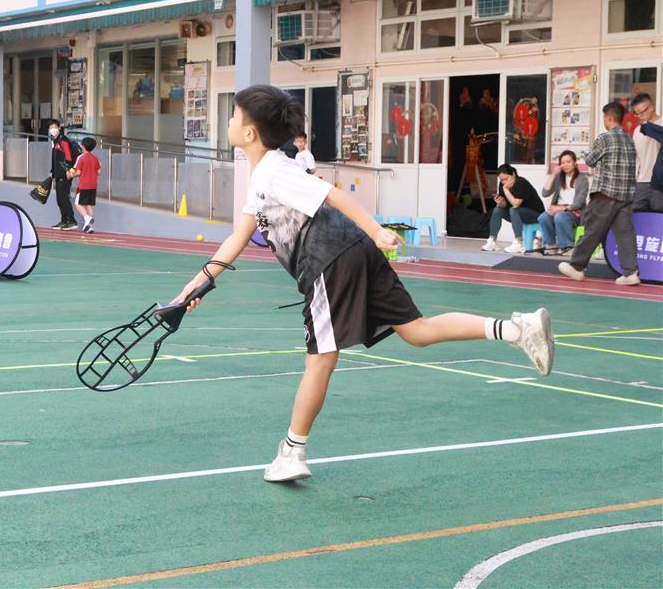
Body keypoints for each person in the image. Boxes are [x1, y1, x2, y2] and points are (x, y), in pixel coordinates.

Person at [172, 85, 554, 483]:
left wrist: (377, 230)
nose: (229, 122)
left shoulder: (275, 170)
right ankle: (518, 329)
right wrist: (194, 286)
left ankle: (292, 452)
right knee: (417, 332)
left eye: (234, 117)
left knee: (321, 358)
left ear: (249, 133)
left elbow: (333, 196)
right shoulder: (263, 176)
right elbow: (237, 238)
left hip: (329, 261)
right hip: (353, 252)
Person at [560, 102, 640, 286]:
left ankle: (577, 266)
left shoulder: (605, 138)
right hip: (626, 196)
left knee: (592, 229)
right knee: (625, 234)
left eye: (604, 117)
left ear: (608, 117)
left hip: (605, 193)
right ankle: (631, 272)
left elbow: (590, 160)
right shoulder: (629, 139)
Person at [480, 164, 545, 253]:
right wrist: (501, 202)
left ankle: (519, 243)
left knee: (513, 210)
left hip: (536, 214)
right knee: (497, 210)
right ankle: (492, 241)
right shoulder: (502, 185)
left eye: (506, 179)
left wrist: (506, 189)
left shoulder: (521, 183)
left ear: (513, 174)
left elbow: (515, 204)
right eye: (502, 180)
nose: (504, 182)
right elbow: (505, 205)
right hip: (517, 214)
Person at [537, 150, 588, 255]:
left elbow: (579, 203)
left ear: (575, 163)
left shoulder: (582, 179)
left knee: (560, 216)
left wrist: (561, 208)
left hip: (575, 212)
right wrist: (553, 174)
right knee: (543, 217)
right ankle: (550, 246)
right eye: (562, 162)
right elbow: (545, 193)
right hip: (558, 210)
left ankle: (567, 246)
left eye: (568, 162)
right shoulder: (559, 177)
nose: (565, 165)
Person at [630, 93, 663, 212]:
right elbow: (636, 158)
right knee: (637, 217)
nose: (639, 116)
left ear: (651, 107)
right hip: (641, 182)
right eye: (636, 113)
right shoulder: (638, 130)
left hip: (659, 184)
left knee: (658, 217)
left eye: (642, 112)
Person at [48, 119, 79, 230]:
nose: (53, 129)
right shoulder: (54, 140)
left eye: (54, 127)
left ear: (59, 128)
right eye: (51, 127)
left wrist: (68, 171)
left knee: (64, 197)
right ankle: (64, 220)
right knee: (59, 198)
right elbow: (55, 158)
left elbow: (69, 157)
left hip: (65, 173)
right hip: (58, 173)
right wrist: (52, 172)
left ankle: (72, 221)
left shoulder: (63, 140)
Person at [70, 137, 101, 233]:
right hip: (93, 185)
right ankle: (89, 226)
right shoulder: (95, 158)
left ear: (82, 146)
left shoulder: (81, 157)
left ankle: (87, 218)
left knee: (77, 203)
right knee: (89, 205)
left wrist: (70, 173)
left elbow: (77, 171)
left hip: (84, 184)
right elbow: (99, 171)